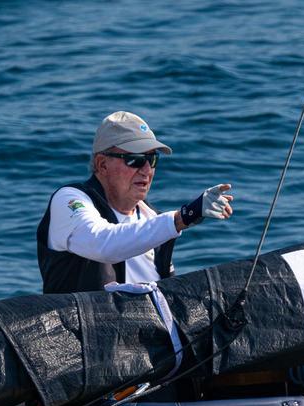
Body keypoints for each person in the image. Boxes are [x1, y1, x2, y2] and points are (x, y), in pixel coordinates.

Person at [37, 111, 234, 294]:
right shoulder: (69, 199)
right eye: (136, 159)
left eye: (152, 159)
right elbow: (103, 244)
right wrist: (183, 217)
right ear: (102, 164)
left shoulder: (153, 220)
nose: (147, 170)